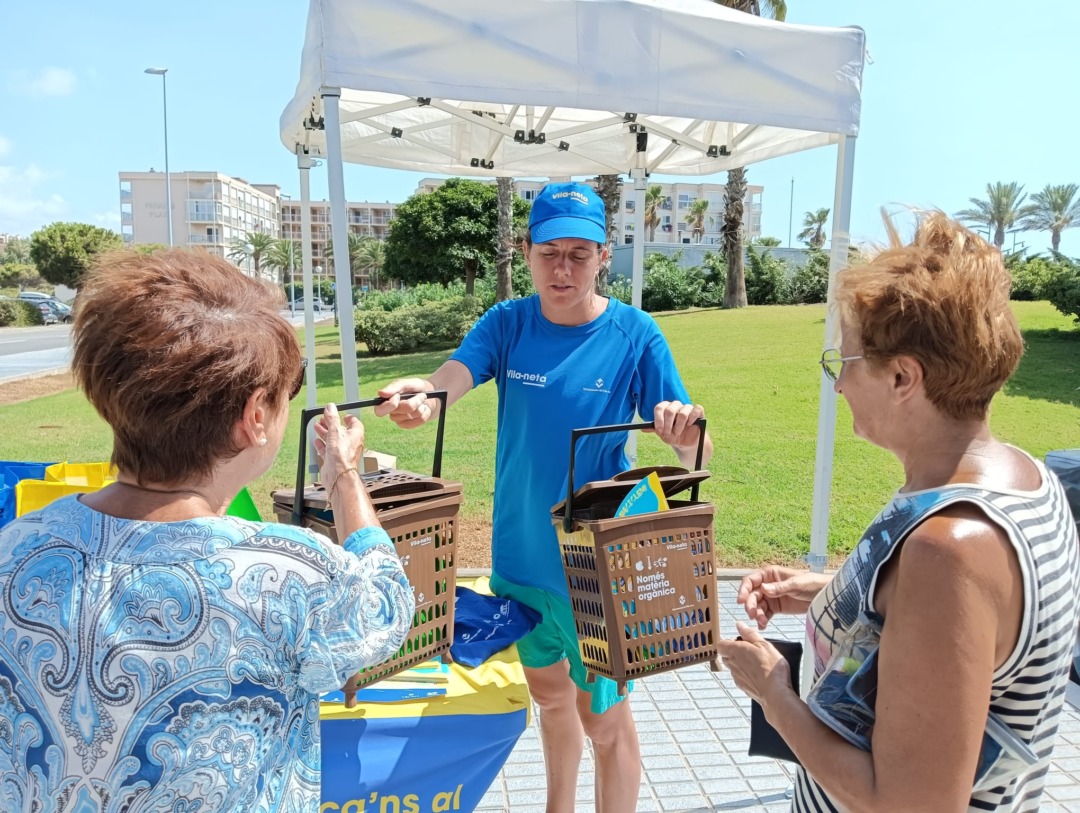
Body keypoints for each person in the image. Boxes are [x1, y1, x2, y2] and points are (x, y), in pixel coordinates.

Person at [0, 250, 414, 812]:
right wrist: (343, 472)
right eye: (285, 393)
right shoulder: (287, 574)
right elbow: (386, 600)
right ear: (254, 418)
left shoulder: (15, 548)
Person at [718, 212, 1080, 812]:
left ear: (903, 377)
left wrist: (773, 693)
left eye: (845, 363)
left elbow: (910, 805)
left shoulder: (952, 548)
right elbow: (954, 630)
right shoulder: (1020, 476)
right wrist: (827, 590)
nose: (837, 387)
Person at [374, 181, 714, 812]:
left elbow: (695, 453)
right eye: (548, 251)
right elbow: (449, 380)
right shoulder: (508, 323)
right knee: (553, 702)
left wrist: (684, 435)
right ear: (525, 251)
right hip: (520, 565)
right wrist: (421, 394)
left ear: (604, 254)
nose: (562, 269)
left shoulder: (635, 334)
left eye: (578, 254)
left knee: (604, 723)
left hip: (596, 568)